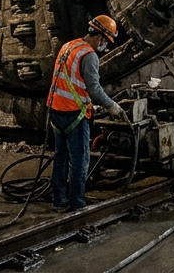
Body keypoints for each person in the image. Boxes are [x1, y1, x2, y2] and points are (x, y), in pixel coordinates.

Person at [47, 14, 125, 213]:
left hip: (55, 111)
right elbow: (94, 89)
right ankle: (77, 204)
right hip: (74, 114)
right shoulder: (89, 55)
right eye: (106, 42)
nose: (105, 46)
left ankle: (59, 201)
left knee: (60, 157)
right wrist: (113, 107)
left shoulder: (68, 46)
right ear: (100, 37)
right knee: (80, 160)